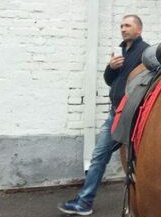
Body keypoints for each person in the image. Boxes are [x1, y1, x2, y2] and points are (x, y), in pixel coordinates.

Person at [59, 15, 149, 216]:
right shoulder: (121, 51)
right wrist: (111, 67)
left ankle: (145, 205)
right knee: (99, 156)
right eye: (121, 26)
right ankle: (85, 202)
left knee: (139, 161)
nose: (123, 29)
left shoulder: (146, 52)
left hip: (134, 116)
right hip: (114, 114)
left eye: (128, 25)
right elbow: (110, 81)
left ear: (139, 29)